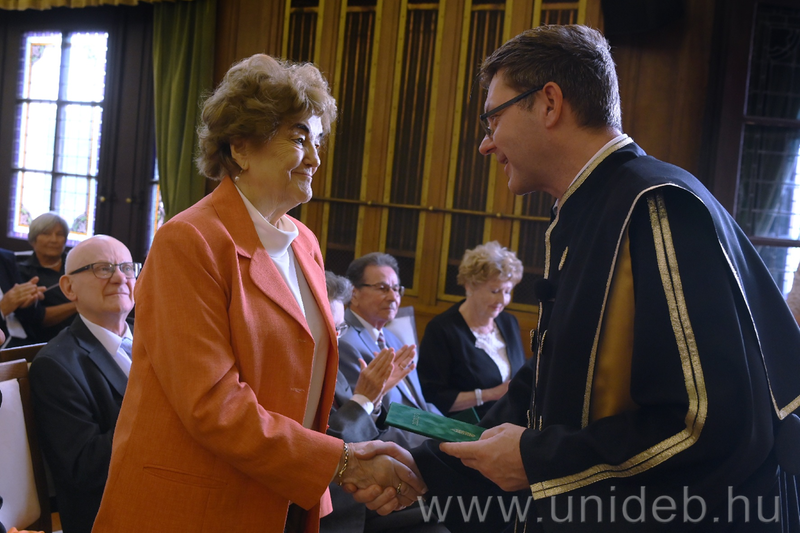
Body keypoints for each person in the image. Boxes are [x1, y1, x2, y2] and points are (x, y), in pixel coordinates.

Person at [351, 25, 800, 532]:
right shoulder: (593, 211)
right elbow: (544, 392)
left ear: (549, 103)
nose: (485, 144)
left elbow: (712, 425)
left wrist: (539, 460)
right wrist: (426, 466)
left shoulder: (656, 206)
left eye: (493, 118)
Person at [92, 55, 424, 533]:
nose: (315, 158)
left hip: (280, 496)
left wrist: (340, 459)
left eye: (318, 141)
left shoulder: (304, 244)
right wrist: (342, 462)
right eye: (299, 138)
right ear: (241, 147)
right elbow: (212, 404)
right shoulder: (188, 241)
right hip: (195, 507)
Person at [28, 235, 137, 533]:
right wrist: (158, 409)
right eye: (103, 268)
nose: (120, 278)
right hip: (115, 514)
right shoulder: (56, 365)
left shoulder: (158, 336)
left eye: (127, 268)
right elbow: (84, 469)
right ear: (68, 288)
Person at [339, 252, 441, 450]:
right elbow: (362, 420)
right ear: (354, 293)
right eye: (383, 288)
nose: (394, 297)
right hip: (395, 446)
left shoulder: (391, 337)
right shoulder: (345, 341)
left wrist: (451, 429)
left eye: (396, 289)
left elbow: (418, 404)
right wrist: (434, 444)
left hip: (425, 433)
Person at [417, 241, 525, 418]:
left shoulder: (509, 322)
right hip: (467, 426)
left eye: (507, 292)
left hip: (508, 422)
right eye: (495, 291)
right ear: (470, 286)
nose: (502, 300)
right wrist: (491, 394)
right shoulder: (442, 329)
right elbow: (432, 397)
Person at [19, 213, 77, 344]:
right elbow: (38, 318)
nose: (54, 240)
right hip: (47, 342)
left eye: (59, 234)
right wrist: (80, 305)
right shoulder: (23, 272)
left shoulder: (77, 265)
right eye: (46, 234)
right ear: (33, 240)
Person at [0, 248, 44, 347]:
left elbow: (36, 317)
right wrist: (1, 310)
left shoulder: (5, 258)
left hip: (26, 341)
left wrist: (29, 301)